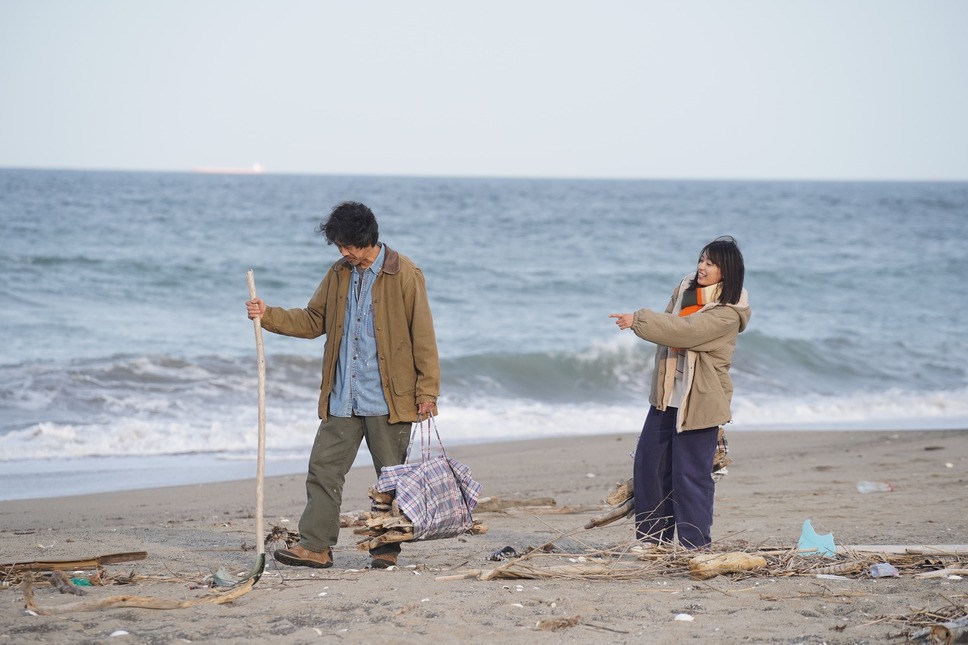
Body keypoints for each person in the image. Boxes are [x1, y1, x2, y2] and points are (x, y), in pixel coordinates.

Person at [246, 201, 439, 569]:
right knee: (323, 470)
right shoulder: (339, 273)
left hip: (389, 398)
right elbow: (313, 320)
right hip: (342, 396)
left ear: (368, 239)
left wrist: (427, 391)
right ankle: (316, 546)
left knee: (391, 479)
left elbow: (423, 336)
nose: (344, 252)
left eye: (349, 246)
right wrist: (268, 316)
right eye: (339, 246)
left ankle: (385, 549)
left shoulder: (406, 273)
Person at [609, 236, 750, 549]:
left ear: (726, 271)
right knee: (649, 469)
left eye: (710, 264)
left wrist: (638, 320)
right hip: (665, 397)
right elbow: (669, 327)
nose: (702, 267)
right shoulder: (684, 293)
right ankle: (652, 543)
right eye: (701, 260)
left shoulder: (727, 313)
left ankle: (695, 546)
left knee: (690, 478)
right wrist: (653, 325)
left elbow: (685, 332)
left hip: (699, 403)